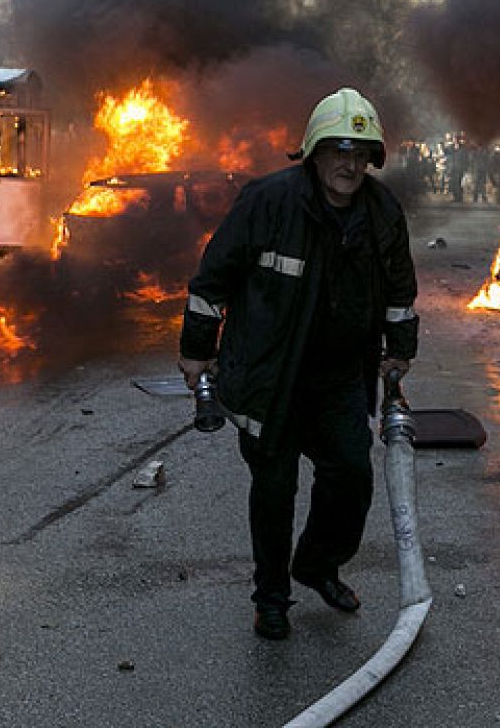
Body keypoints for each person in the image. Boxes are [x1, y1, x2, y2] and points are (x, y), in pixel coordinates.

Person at [178, 87, 419, 641]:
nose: (349, 164)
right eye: (338, 150)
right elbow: (213, 279)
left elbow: (400, 291)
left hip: (338, 377)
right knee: (274, 489)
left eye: (360, 153)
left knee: (351, 477)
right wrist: (196, 349)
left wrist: (399, 348)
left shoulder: (382, 212)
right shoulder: (269, 202)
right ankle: (271, 598)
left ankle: (317, 563)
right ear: (314, 152)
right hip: (272, 376)